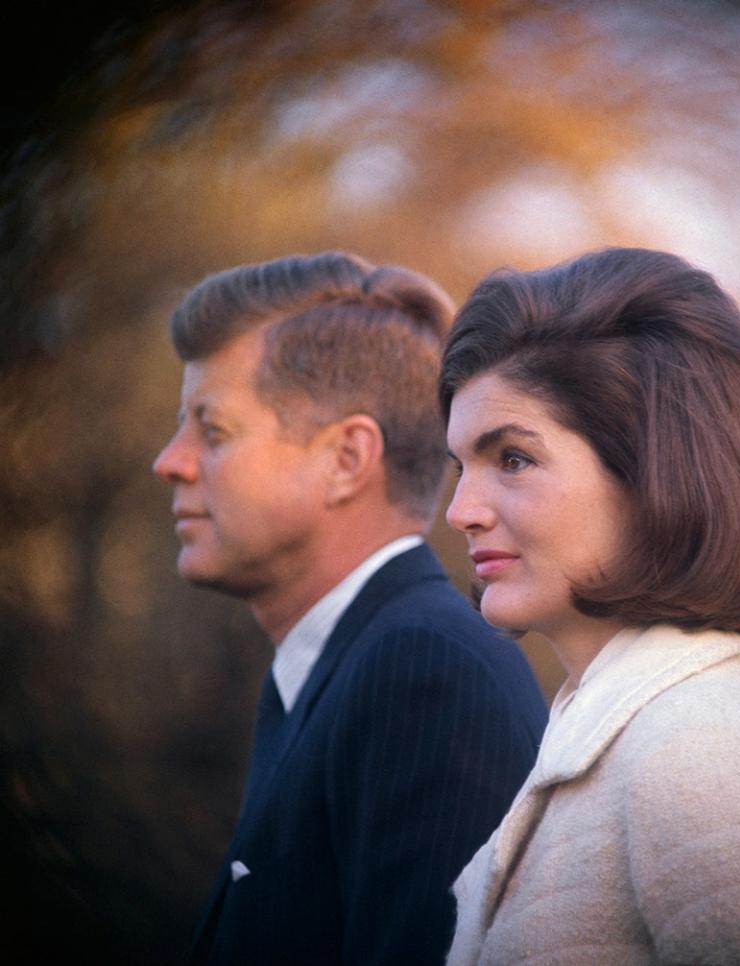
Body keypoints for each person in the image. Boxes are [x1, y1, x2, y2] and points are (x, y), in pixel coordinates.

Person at [441, 247, 740, 965]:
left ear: (655, 471)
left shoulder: (706, 753)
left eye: (512, 458)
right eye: (462, 468)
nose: (460, 510)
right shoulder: (621, 741)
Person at [152, 251, 547, 965]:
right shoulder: (341, 667)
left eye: (212, 431)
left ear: (346, 459)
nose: (170, 461)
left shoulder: (427, 676)